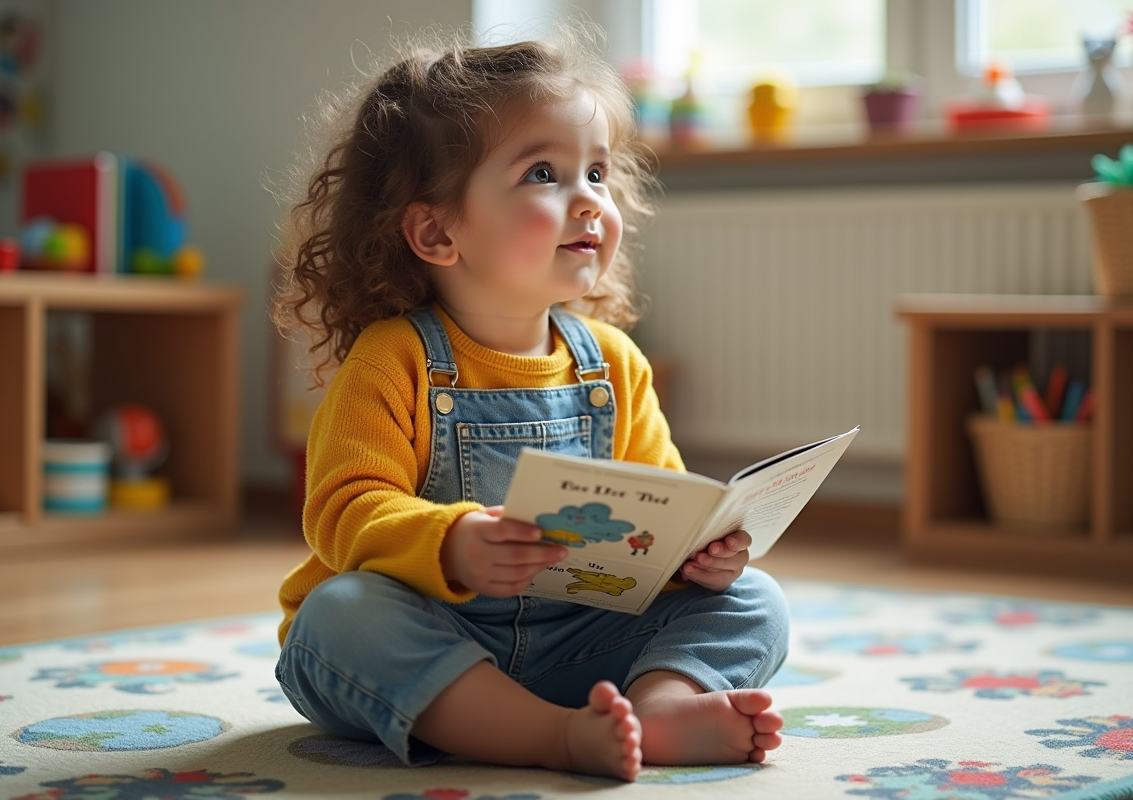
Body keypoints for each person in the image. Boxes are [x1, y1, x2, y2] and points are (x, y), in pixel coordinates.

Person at [271, 23, 789, 782]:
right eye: (544, 173)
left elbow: (661, 507)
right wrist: (450, 542)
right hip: (433, 648)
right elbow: (343, 511)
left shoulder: (613, 363)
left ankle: (660, 710)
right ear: (437, 230)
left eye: (599, 175)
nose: (589, 202)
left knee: (757, 600)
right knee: (336, 618)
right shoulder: (394, 360)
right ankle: (550, 738)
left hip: (582, 644)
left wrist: (697, 555)